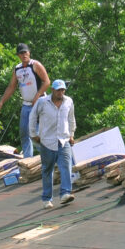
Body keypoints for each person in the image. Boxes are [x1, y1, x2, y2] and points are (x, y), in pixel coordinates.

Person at [0, 43, 50, 158]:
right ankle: (27, 159)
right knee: (24, 133)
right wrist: (2, 101)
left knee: (37, 134)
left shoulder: (35, 65)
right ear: (18, 55)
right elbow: (11, 86)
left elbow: (47, 81)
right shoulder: (17, 69)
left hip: (39, 103)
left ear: (29, 52)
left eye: (25, 52)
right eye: (21, 53)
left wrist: (38, 95)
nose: (24, 55)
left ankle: (48, 156)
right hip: (26, 105)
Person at [30, 79, 76, 209]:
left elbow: (71, 119)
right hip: (47, 141)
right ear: (52, 90)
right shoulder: (43, 102)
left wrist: (71, 134)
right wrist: (33, 134)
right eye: (58, 90)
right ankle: (47, 198)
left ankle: (65, 193)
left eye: (62, 90)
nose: (60, 92)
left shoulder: (68, 102)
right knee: (47, 169)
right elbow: (33, 117)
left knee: (66, 166)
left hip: (63, 140)